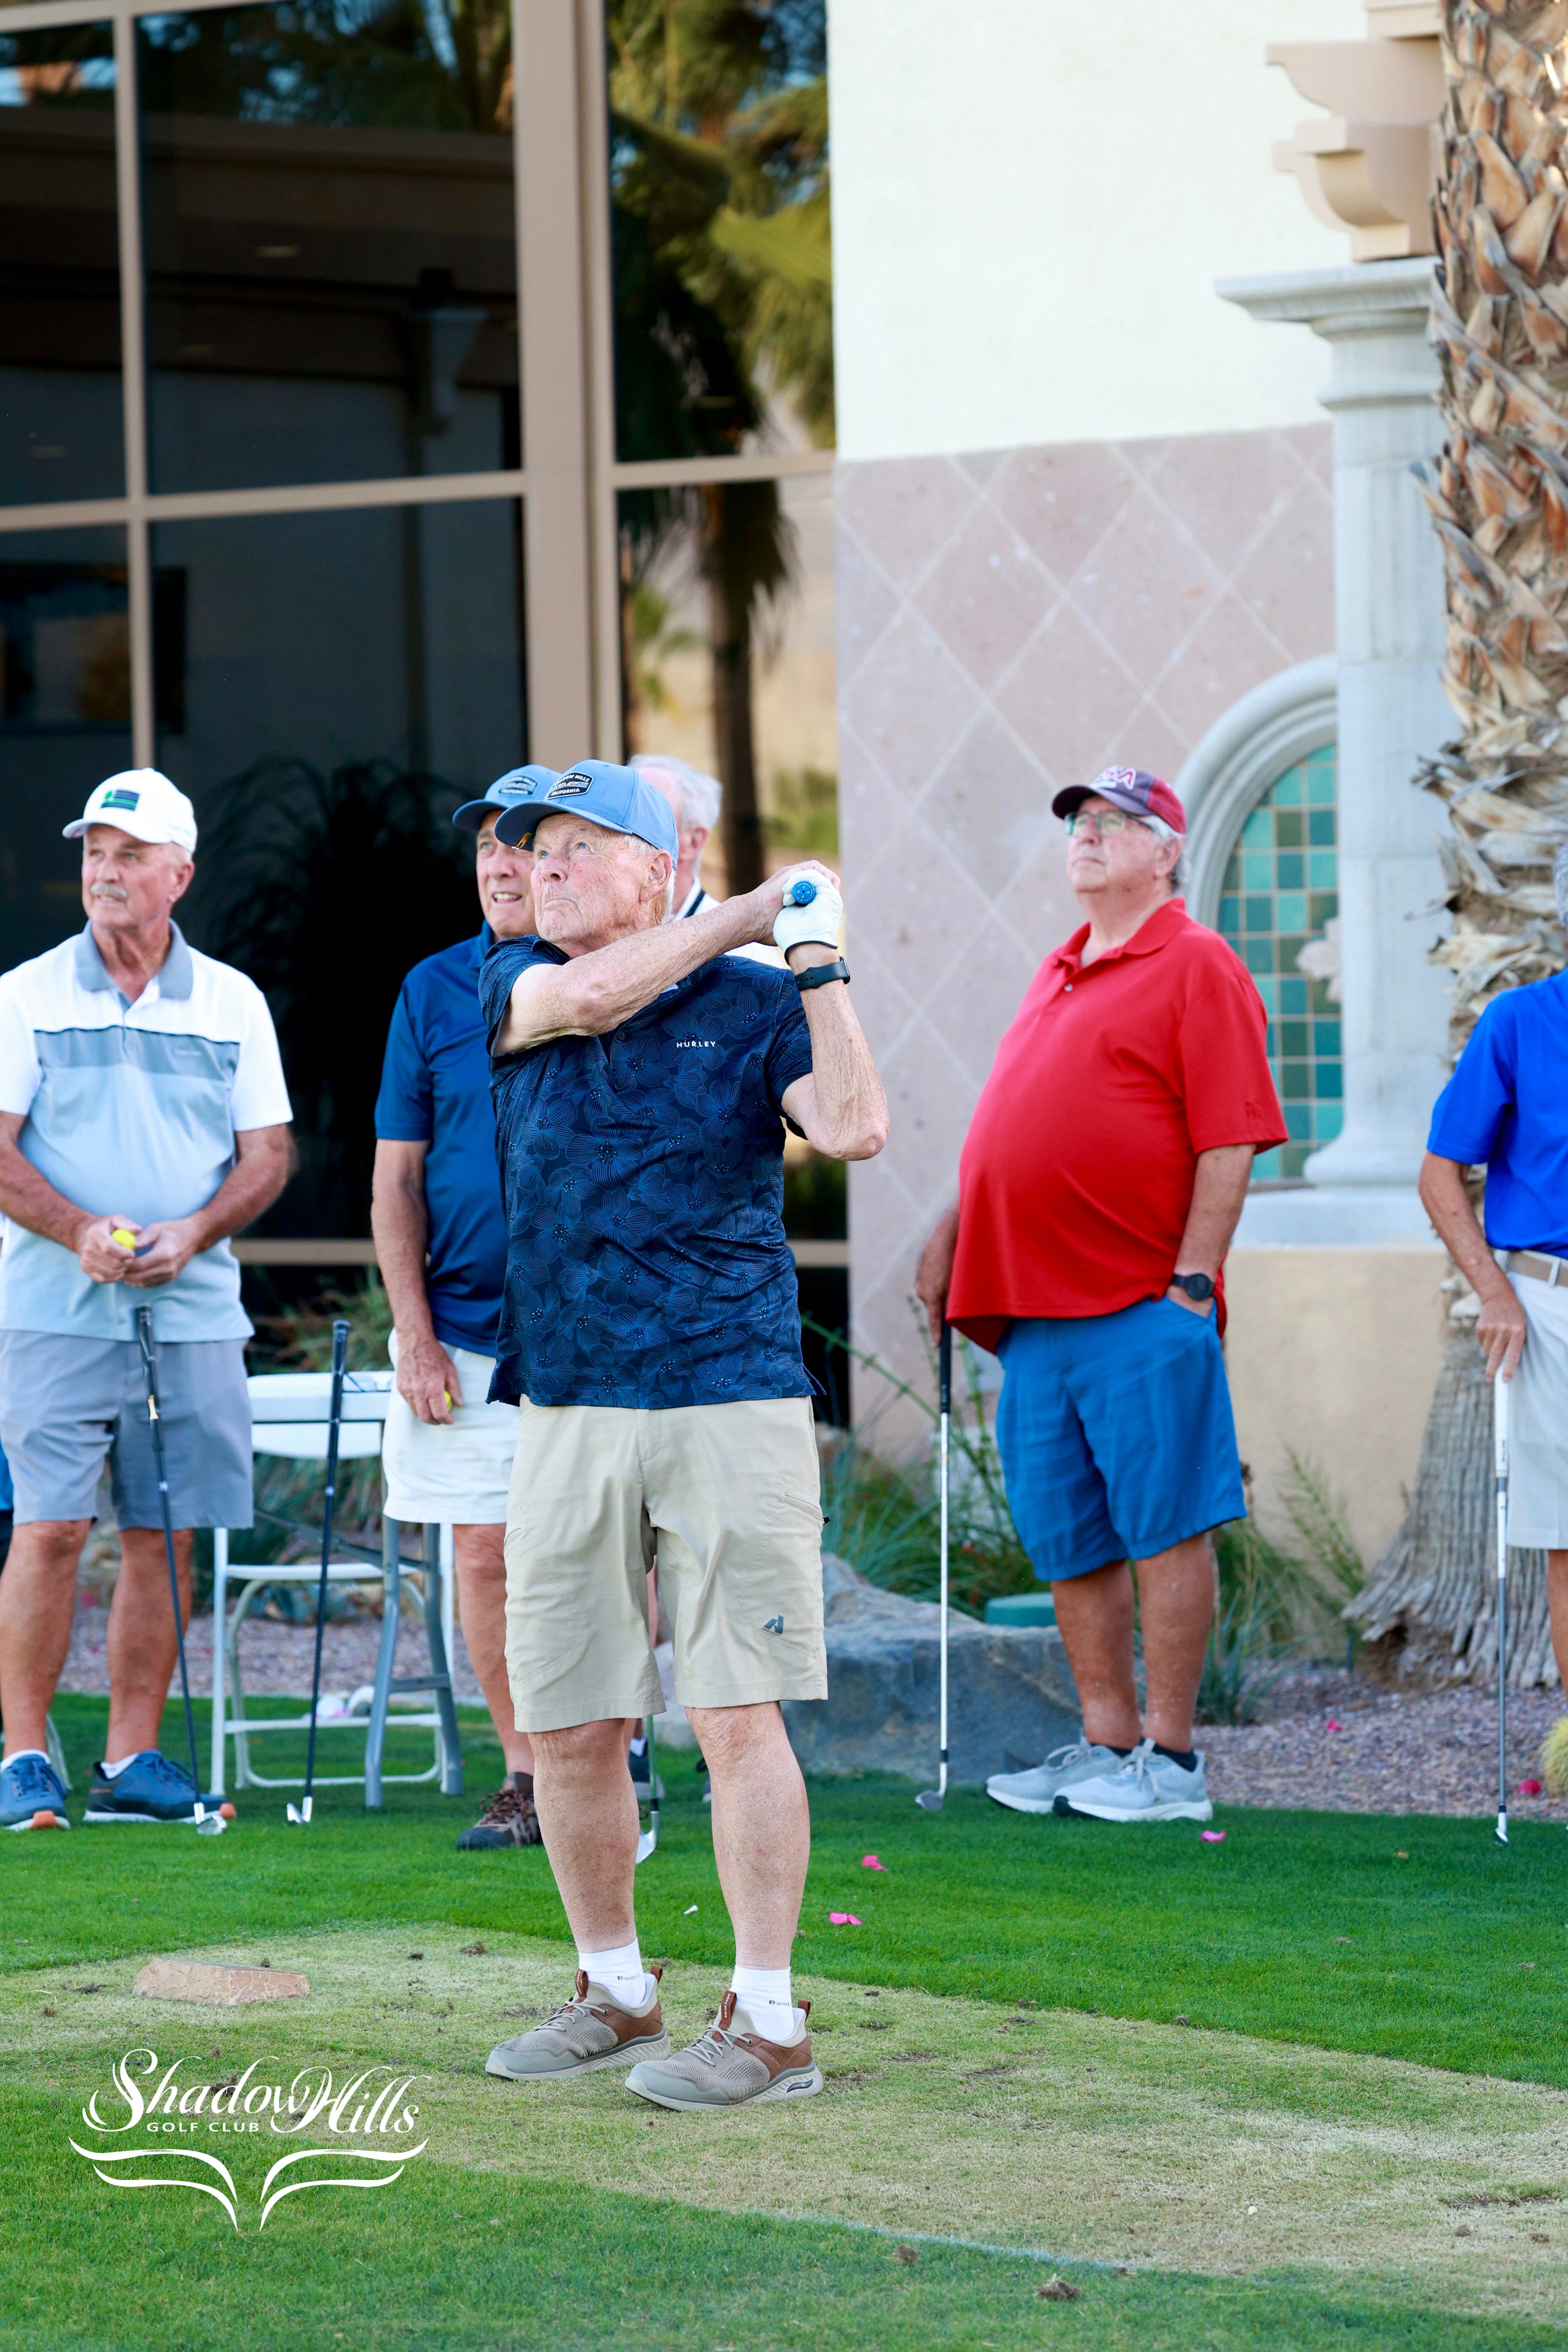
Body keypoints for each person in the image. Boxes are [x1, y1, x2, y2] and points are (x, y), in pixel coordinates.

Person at [475, 758, 887, 2109]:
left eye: (580, 849)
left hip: (729, 1393)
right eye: (535, 851)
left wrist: (814, 962)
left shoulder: (759, 1003)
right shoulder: (516, 984)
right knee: (574, 1718)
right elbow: (595, 992)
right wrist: (762, 901)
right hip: (571, 1405)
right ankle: (617, 1991)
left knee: (728, 1710)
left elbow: (856, 1125)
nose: (542, 869)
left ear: (657, 867)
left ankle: (768, 2023)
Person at [915, 767, 1286, 1827]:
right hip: (1032, 1309)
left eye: (1112, 822)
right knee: (1068, 1533)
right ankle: (1104, 1741)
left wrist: (1191, 1287)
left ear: (1166, 849)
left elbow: (1229, 1136)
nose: (1084, 835)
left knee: (1167, 1523)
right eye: (1077, 821)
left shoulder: (1197, 962)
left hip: (1139, 1299)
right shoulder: (1061, 966)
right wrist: (950, 1232)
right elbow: (1009, 1123)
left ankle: (1169, 1761)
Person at [0, 769, 293, 1830]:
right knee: (50, 1528)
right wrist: (81, 1229)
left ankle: (130, 1760)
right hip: (52, 1306)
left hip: (196, 1310)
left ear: (180, 871)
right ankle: (25, 1757)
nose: (105, 870)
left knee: (163, 1535)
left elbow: (267, 1153)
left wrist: (195, 1231)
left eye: (129, 854)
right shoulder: (27, 992)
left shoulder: (232, 1001)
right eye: (94, 851)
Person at [372, 765, 559, 1851]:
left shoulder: (613, 980)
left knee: (599, 1552)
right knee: (484, 1552)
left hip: (594, 1331)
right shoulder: (432, 987)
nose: (499, 859)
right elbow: (398, 1177)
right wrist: (416, 1334)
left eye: (523, 841)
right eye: (487, 842)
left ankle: (605, 1746)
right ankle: (528, 1772)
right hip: (466, 1329)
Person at [1418, 839, 1568, 1697]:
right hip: (1550, 1312)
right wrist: (1494, 1290)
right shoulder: (1517, 1021)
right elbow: (1442, 1172)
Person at [630, 753, 779, 965]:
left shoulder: (744, 952)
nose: (625, 832)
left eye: (650, 816)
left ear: (693, 841)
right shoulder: (589, 936)